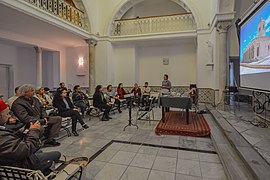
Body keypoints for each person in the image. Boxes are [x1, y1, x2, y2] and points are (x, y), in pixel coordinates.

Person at [0, 100, 61, 175]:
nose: (9, 116)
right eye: (7, 114)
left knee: (40, 151)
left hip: (15, 158)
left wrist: (23, 132)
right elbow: (26, 149)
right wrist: (34, 131)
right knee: (57, 154)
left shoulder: (3, 132)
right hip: (20, 165)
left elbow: (10, 141)